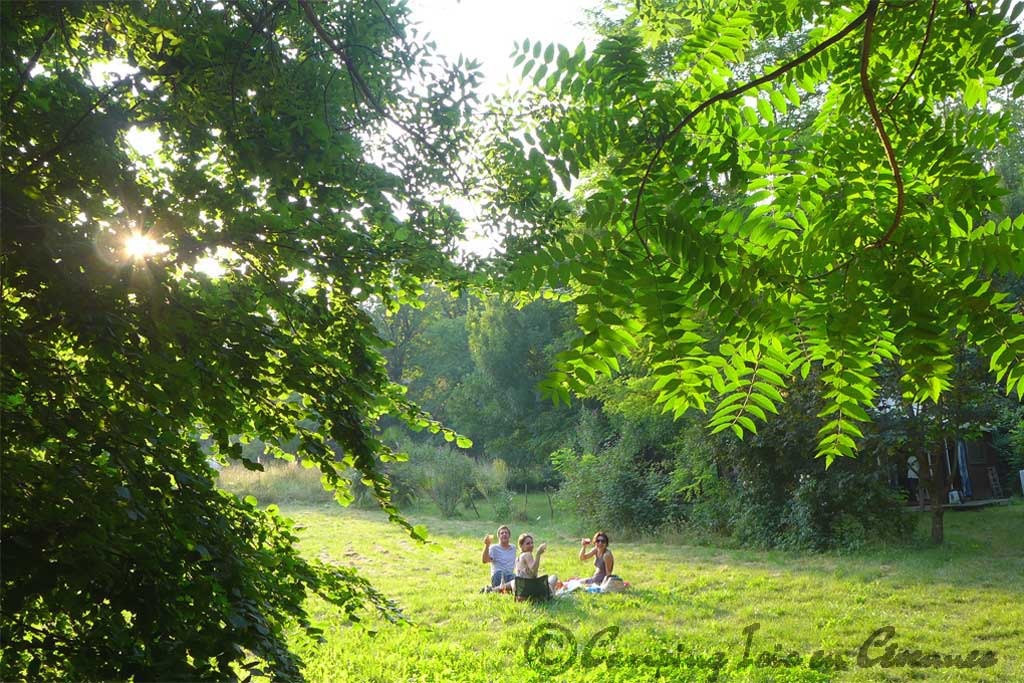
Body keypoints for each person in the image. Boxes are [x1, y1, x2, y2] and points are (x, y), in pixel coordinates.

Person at [481, 525, 515, 592]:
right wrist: (487, 545)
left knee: (519, 582)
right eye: (502, 533)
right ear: (499, 536)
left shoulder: (513, 548)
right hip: (498, 574)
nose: (504, 534)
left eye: (506, 533)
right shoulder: (494, 548)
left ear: (509, 536)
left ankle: (491, 590)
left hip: (510, 575)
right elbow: (485, 560)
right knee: (518, 581)